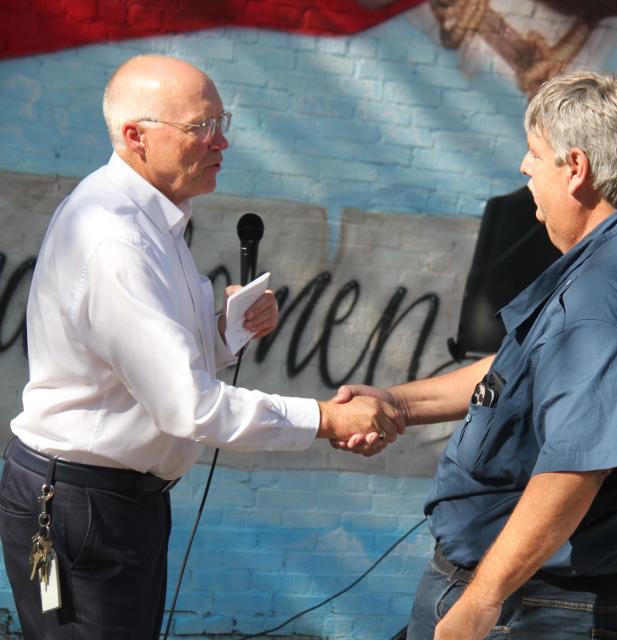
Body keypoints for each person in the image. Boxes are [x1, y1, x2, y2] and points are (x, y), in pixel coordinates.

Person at [0, 54, 401, 639]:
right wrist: (325, 418)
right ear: (136, 137)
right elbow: (187, 405)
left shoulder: (149, 220)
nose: (221, 143)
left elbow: (146, 370)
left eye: (222, 123)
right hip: (84, 505)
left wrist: (225, 331)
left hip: (109, 502)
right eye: (200, 127)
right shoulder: (117, 238)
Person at [334, 71, 617, 639]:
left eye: (536, 153)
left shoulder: (601, 302)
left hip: (562, 601)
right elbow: (525, 370)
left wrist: (481, 602)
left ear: (576, 169)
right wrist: (398, 401)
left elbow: (576, 465)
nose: (524, 168)